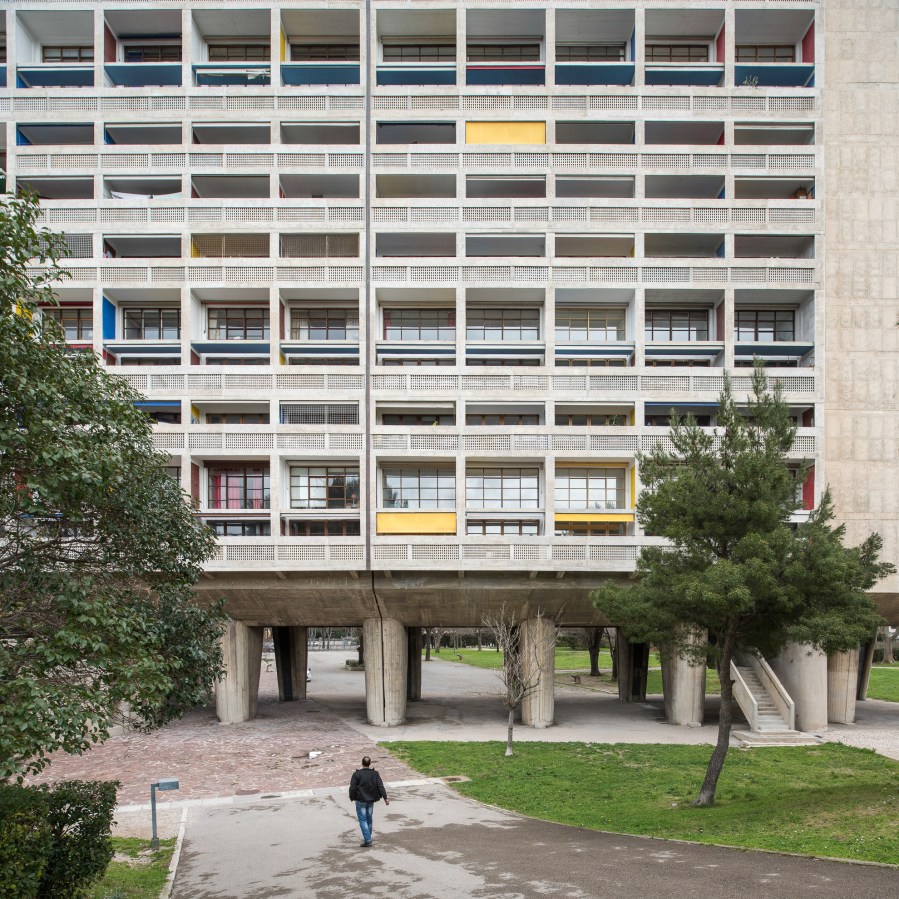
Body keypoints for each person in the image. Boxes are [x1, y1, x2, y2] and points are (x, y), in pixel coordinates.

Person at [348, 756, 389, 847]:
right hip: (371, 800)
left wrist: (352, 797)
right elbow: (380, 786)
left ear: (362, 763)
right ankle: (368, 837)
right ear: (370, 763)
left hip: (360, 800)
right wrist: (385, 798)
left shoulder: (357, 774)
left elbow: (352, 788)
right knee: (369, 818)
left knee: (362, 820)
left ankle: (368, 839)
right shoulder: (375, 774)